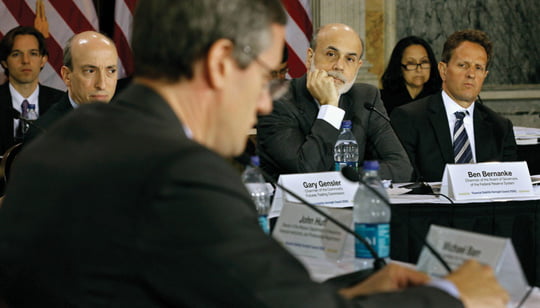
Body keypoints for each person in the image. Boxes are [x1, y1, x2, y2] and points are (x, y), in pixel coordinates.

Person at [0, 1, 508, 307]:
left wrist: (354, 293)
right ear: (222, 63)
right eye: (264, 74)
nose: (267, 99)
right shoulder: (181, 173)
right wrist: (450, 296)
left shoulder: (59, 140)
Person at [257, 23, 412, 182]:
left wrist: (348, 179)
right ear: (310, 57)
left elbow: (402, 168)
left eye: (350, 59)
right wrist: (330, 107)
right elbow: (306, 171)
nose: (339, 66)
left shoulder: (365, 97)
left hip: (353, 204)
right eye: (331, 54)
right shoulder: (276, 101)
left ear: (358, 66)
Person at [391, 30, 517, 182]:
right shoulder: (409, 118)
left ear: (485, 75)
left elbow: (511, 186)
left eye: (478, 68)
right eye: (463, 65)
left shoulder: (500, 127)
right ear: (443, 70)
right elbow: (405, 181)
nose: (471, 74)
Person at [24, 31, 119, 142]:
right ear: (67, 76)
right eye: (90, 71)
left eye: (111, 71)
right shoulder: (45, 133)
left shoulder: (128, 124)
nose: (102, 85)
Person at [0, 26, 63, 154]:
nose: (26, 61)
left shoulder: (62, 102)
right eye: (16, 54)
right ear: (5, 62)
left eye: (33, 53)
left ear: (43, 60)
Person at [380, 36, 442, 115]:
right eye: (411, 63)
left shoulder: (440, 99)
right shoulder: (382, 100)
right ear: (399, 67)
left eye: (424, 62)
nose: (419, 70)